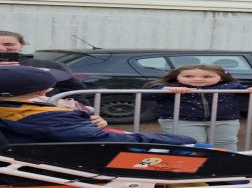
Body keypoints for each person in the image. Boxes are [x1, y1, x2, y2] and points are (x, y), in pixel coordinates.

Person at [0, 65, 252, 188]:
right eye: (46, 88)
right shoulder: (39, 115)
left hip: (69, 150)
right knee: (211, 157)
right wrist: (174, 139)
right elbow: (98, 139)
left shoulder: (20, 109)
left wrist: (82, 117)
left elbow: (80, 131)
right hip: (96, 156)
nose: (51, 91)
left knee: (211, 153)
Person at [0, 65, 195, 146]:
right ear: (43, 91)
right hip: (73, 159)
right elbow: (102, 138)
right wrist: (177, 139)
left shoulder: (14, 109)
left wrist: (86, 120)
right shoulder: (46, 117)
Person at [145, 64, 252, 152]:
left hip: (224, 120)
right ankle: (192, 171)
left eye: (207, 77)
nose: (197, 79)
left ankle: (226, 170)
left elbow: (248, 91)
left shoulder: (231, 85)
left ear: (221, 77)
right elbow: (148, 94)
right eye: (188, 76)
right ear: (177, 77)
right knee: (191, 146)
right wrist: (167, 90)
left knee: (226, 146)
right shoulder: (169, 85)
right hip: (182, 121)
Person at [0, 30, 87, 97]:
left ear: (21, 45)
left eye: (9, 44)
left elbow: (74, 91)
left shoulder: (51, 66)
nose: (2, 48)